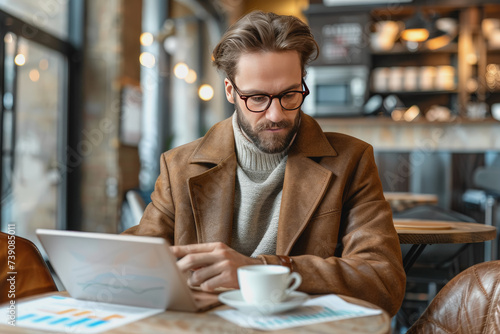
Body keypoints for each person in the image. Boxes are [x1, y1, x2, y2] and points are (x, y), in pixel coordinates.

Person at [123, 10, 405, 316]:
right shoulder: (178, 166)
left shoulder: (352, 161)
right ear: (231, 91)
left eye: (290, 94)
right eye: (257, 98)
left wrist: (261, 269)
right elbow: (137, 264)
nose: (275, 114)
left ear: (302, 82)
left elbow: (382, 282)